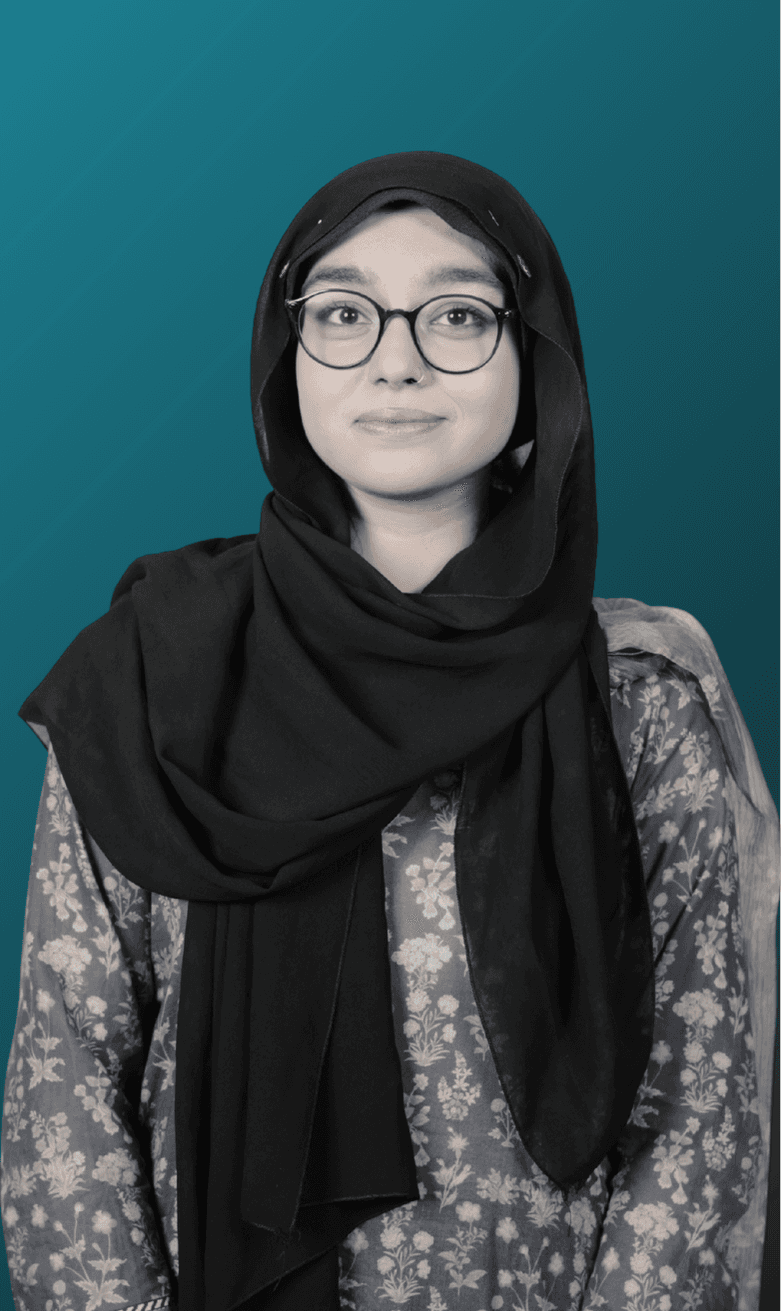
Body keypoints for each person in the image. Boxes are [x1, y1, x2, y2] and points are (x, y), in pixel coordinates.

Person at [2, 152, 776, 1311]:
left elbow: (699, 1099)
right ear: (286, 359)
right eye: (343, 314)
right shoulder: (154, 676)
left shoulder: (638, 699)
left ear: (535, 362)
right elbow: (66, 1078)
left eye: (457, 314)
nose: (396, 359)